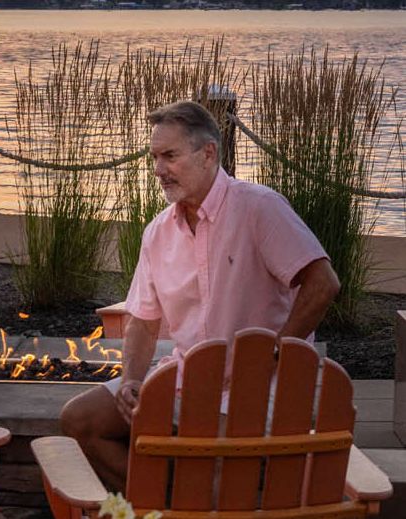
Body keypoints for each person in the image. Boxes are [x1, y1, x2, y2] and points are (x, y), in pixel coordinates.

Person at [60, 101, 341, 492]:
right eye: (155, 157)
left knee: (207, 451)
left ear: (208, 153)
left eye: (170, 156)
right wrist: (130, 381)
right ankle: (166, 503)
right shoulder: (158, 232)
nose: (159, 169)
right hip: (187, 379)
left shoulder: (258, 207)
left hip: (262, 385)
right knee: (80, 419)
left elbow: (323, 282)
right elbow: (142, 320)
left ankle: (187, 500)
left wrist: (273, 353)